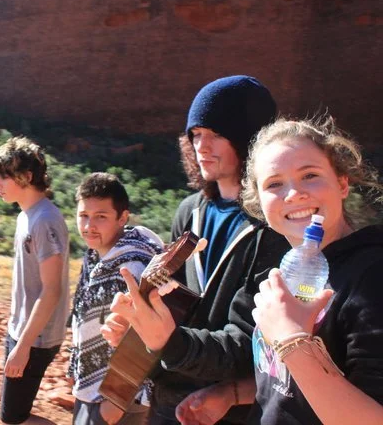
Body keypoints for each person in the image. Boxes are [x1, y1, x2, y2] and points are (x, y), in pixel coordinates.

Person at [102, 76, 288, 424]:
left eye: (216, 134)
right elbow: (172, 303)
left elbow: (249, 342)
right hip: (169, 393)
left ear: (249, 139)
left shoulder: (273, 226)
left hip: (227, 408)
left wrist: (168, 341)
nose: (201, 146)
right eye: (195, 135)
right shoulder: (190, 211)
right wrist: (135, 328)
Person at [175, 116, 383, 424]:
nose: (293, 194)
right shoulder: (288, 269)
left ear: (342, 183)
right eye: (274, 184)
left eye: (310, 175)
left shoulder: (372, 275)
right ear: (258, 202)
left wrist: (291, 341)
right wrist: (233, 393)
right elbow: (289, 384)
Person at [69, 172, 164, 425]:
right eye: (83, 216)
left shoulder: (132, 265)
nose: (89, 226)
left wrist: (116, 404)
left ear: (122, 217)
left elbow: (146, 335)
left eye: (101, 217)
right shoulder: (95, 256)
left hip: (118, 398)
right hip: (93, 388)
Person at [0, 136, 70, 425]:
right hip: (23, 331)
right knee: (13, 414)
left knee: (14, 418)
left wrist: (22, 346)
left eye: (3, 176)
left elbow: (52, 290)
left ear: (25, 177)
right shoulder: (27, 216)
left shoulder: (44, 220)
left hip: (35, 337)